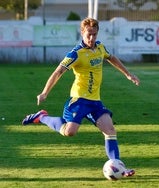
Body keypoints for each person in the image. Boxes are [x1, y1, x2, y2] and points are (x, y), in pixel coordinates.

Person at [21, 18, 140, 177]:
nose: (92, 38)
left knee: (110, 130)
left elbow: (111, 58)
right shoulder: (75, 53)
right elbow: (58, 72)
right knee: (69, 132)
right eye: (89, 34)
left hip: (95, 102)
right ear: (82, 33)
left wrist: (128, 74)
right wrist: (44, 92)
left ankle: (119, 168)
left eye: (94, 34)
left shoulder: (100, 48)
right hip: (78, 100)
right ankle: (42, 117)